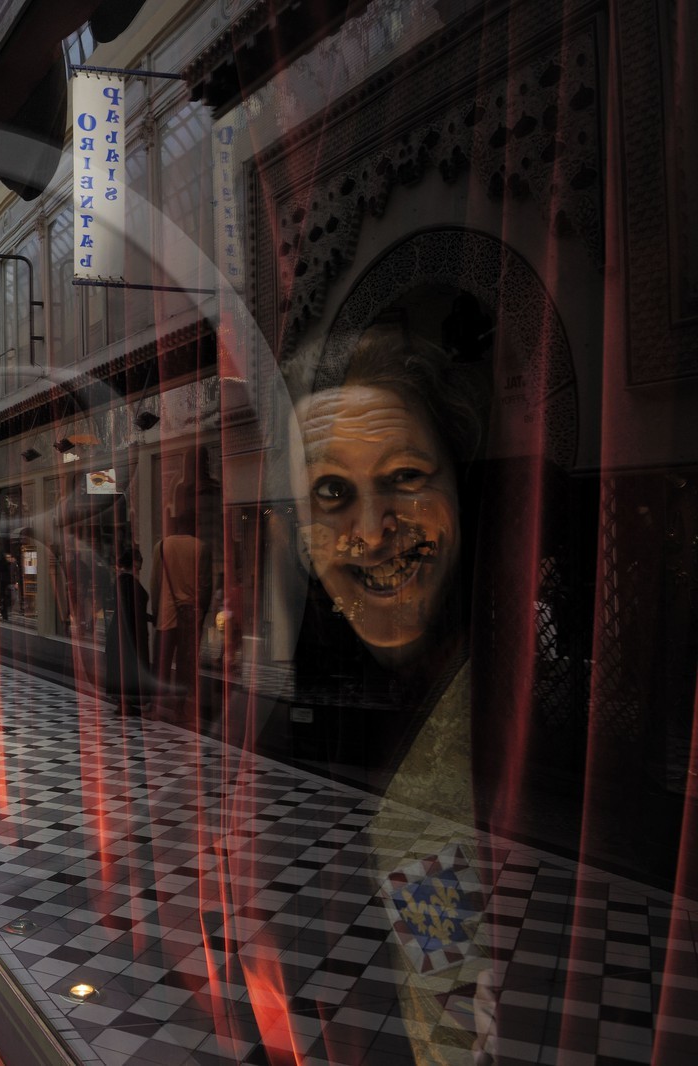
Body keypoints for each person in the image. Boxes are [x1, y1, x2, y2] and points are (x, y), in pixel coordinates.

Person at [282, 326, 494, 1062]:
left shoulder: (514, 701)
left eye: (405, 476)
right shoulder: (312, 721)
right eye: (332, 493)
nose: (372, 533)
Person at [150, 499, 211, 706]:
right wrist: (202, 613)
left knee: (162, 664)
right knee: (186, 665)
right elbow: (205, 585)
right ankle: (182, 706)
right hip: (191, 615)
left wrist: (157, 611)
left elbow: (155, 583)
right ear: (194, 525)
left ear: (177, 524)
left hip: (166, 615)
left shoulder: (161, 546)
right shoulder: (201, 547)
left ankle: (159, 703)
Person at [103, 546, 152, 716]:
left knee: (123, 666)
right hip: (128, 632)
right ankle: (125, 703)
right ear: (133, 562)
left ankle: (124, 702)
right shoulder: (127, 581)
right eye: (139, 560)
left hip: (123, 631)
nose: (141, 565)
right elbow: (131, 609)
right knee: (127, 666)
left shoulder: (123, 581)